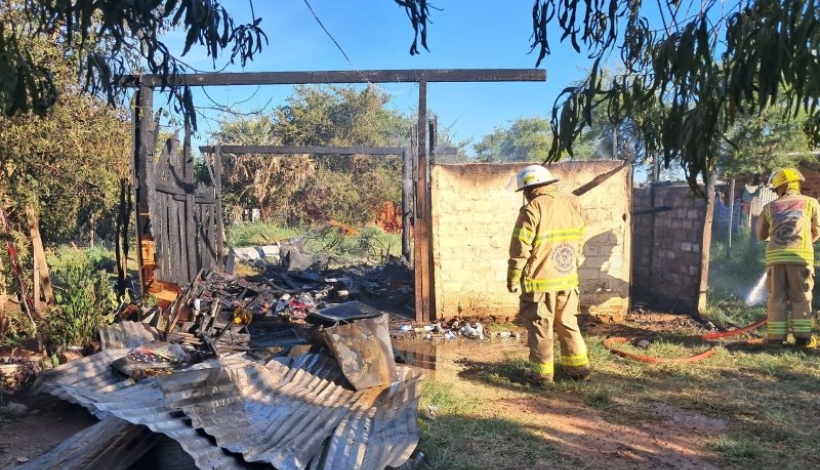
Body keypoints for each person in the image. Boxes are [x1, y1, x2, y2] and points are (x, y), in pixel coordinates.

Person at [507, 164, 590, 386]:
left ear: (530, 189)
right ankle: (578, 369)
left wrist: (513, 279)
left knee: (541, 327)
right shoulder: (572, 204)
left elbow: (520, 249)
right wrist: (575, 260)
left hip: (540, 284)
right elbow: (580, 237)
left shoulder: (532, 210)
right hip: (568, 279)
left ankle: (542, 376)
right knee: (568, 323)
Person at [756, 167, 820, 349]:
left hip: (775, 258)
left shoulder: (770, 207)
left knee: (777, 297)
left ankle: (775, 339)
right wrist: (805, 241)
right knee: (801, 297)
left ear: (779, 188)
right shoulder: (811, 203)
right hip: (800, 256)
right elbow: (818, 230)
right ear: (796, 184)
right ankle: (803, 339)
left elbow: (761, 235)